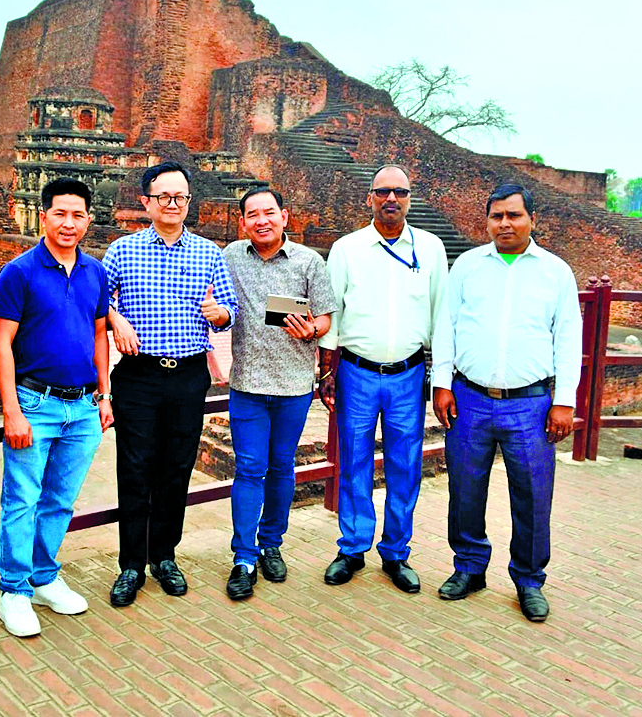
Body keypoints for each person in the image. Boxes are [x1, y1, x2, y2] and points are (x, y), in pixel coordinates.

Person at [430, 183, 580, 623]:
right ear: (487, 221)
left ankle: (529, 579)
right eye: (497, 216)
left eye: (514, 215)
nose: (505, 224)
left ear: (532, 219)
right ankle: (469, 567)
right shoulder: (468, 267)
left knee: (532, 494)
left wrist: (564, 401)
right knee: (465, 488)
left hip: (530, 404)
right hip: (470, 398)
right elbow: (446, 327)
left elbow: (568, 339)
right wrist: (441, 384)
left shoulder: (555, 272)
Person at [103, 161, 239, 606]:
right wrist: (116, 318)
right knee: (135, 468)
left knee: (176, 468)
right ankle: (130, 564)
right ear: (147, 202)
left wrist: (220, 314)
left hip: (187, 374)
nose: (173, 204)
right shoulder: (122, 251)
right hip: (139, 375)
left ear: (189, 201)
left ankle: (164, 556)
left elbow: (230, 309)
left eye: (181, 197)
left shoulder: (208, 253)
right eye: (164, 196)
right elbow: (98, 300)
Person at [0, 178, 113, 637]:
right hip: (34, 402)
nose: (68, 223)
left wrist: (105, 394)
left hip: (82, 405)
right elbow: (1, 343)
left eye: (78, 215)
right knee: (22, 499)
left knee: (60, 500)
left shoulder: (94, 272)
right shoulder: (19, 272)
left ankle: (43, 576)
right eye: (60, 213)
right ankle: (13, 590)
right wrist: (11, 410)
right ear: (43, 216)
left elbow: (98, 334)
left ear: (88, 220)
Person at [317, 166, 448, 593]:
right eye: (383, 191)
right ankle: (353, 547)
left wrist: (441, 376)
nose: (391, 198)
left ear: (409, 198)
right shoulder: (347, 248)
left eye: (400, 192)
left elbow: (440, 315)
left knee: (405, 464)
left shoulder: (430, 249)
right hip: (356, 371)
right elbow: (333, 311)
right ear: (369, 197)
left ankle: (395, 551)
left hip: (407, 374)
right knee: (354, 459)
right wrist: (328, 370)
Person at [221, 186, 337, 600]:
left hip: (293, 386)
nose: (262, 221)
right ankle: (244, 556)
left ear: (284, 216)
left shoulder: (308, 261)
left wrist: (312, 329)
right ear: (242, 222)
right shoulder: (231, 257)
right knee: (249, 468)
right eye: (253, 214)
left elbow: (325, 317)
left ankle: (272, 543)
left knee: (282, 466)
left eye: (269, 212)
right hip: (248, 384)